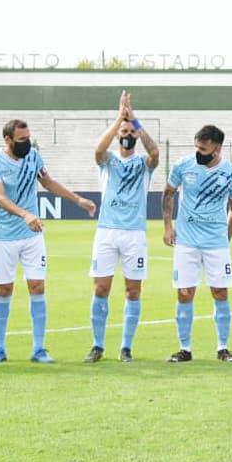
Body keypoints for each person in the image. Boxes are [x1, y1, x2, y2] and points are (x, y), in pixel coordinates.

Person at [0, 119, 97, 364]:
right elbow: (0, 197)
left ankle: (39, 349)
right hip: (4, 236)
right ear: (8, 140)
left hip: (33, 237)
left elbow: (48, 182)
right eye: (22, 139)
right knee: (4, 289)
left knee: (37, 287)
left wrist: (78, 200)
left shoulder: (34, 157)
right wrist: (25, 214)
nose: (27, 143)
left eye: (29, 138)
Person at [84, 91, 160, 363]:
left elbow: (155, 152)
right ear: (117, 134)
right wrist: (119, 118)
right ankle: (97, 345)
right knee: (101, 288)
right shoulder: (109, 162)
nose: (127, 134)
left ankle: (126, 346)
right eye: (123, 131)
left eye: (131, 131)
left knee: (133, 290)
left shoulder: (143, 164)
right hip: (107, 231)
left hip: (134, 233)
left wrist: (136, 120)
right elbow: (97, 150)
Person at [163, 125, 232, 362]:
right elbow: (168, 193)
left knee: (220, 292)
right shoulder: (183, 166)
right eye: (197, 147)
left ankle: (223, 348)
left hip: (215, 243)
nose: (199, 152)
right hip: (186, 241)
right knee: (185, 293)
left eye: (204, 148)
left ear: (217, 148)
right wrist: (168, 226)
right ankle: (185, 349)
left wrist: (224, 239)